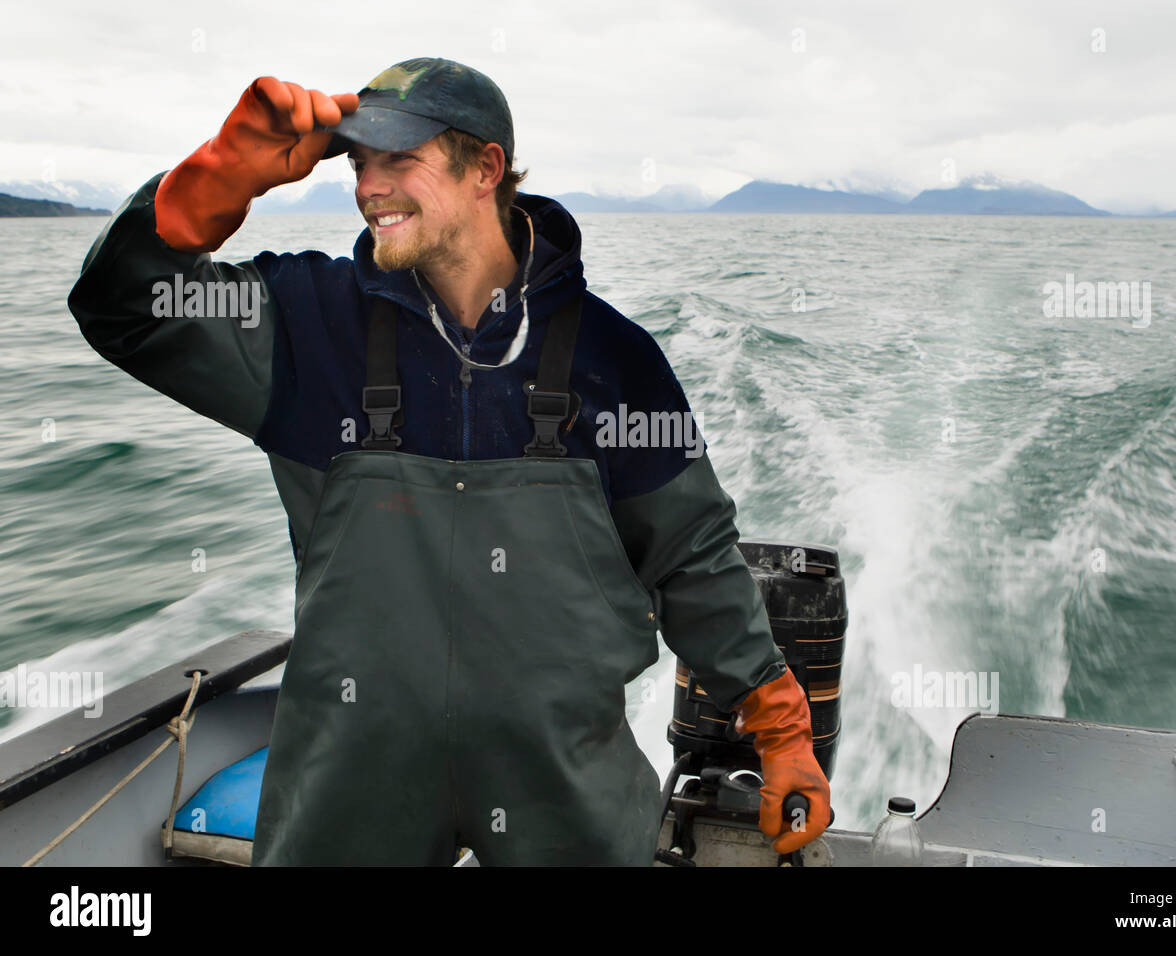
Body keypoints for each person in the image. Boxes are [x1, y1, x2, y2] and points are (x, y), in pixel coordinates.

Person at [67, 56, 831, 865]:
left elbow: (691, 555)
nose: (370, 188)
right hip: (350, 775)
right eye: (359, 163)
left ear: (486, 168)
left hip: (563, 778)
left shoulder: (616, 359)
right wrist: (216, 179)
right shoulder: (301, 325)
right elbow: (124, 310)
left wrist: (779, 724)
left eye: (400, 160)